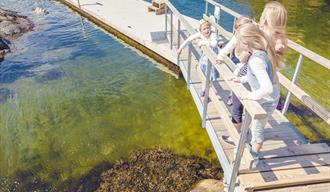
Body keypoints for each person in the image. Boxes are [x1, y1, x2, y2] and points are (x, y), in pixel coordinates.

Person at [229, 22, 281, 163]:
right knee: (251, 121)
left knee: (257, 129)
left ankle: (254, 155)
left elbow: (267, 88)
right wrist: (241, 79)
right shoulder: (261, 53)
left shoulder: (255, 60)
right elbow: (257, 75)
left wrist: (249, 95)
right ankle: (247, 144)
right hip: (268, 97)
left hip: (266, 100)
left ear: (246, 42)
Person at [178, 17, 219, 97]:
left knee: (209, 76)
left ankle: (205, 91)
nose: (207, 30)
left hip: (212, 57)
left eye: (208, 28)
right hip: (205, 56)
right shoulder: (200, 34)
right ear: (200, 31)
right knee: (202, 71)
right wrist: (180, 48)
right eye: (204, 29)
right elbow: (189, 39)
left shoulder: (212, 34)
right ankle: (205, 87)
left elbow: (214, 44)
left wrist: (203, 42)